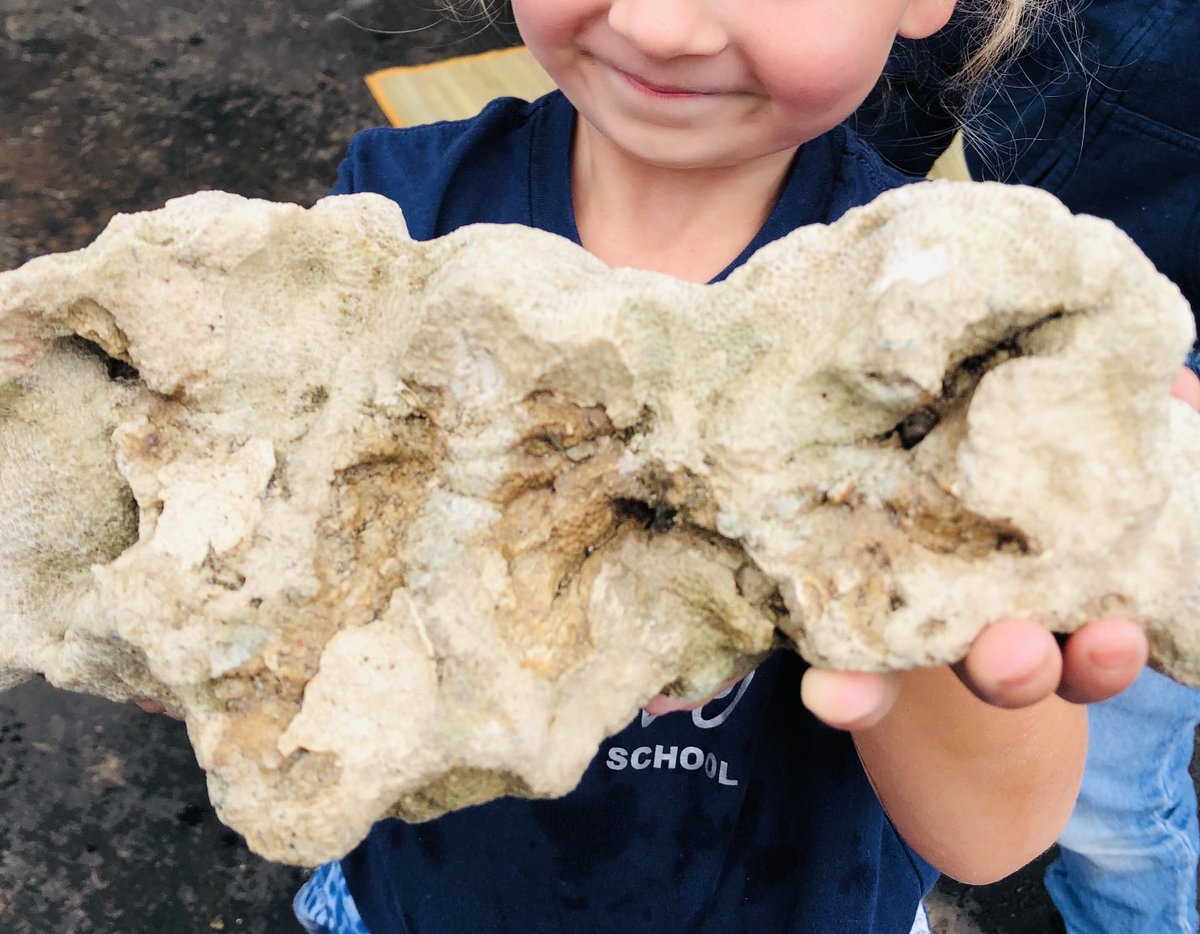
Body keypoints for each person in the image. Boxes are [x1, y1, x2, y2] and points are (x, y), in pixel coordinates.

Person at [289, 0, 1199, 930]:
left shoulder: (951, 332)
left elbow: (991, 837)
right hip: (416, 898)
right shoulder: (390, 225)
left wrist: (915, 578)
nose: (659, 25)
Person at [852, 3, 1200, 929]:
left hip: (1156, 408)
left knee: (1116, 792)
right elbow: (890, 107)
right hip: (1017, 324)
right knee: (928, 678)